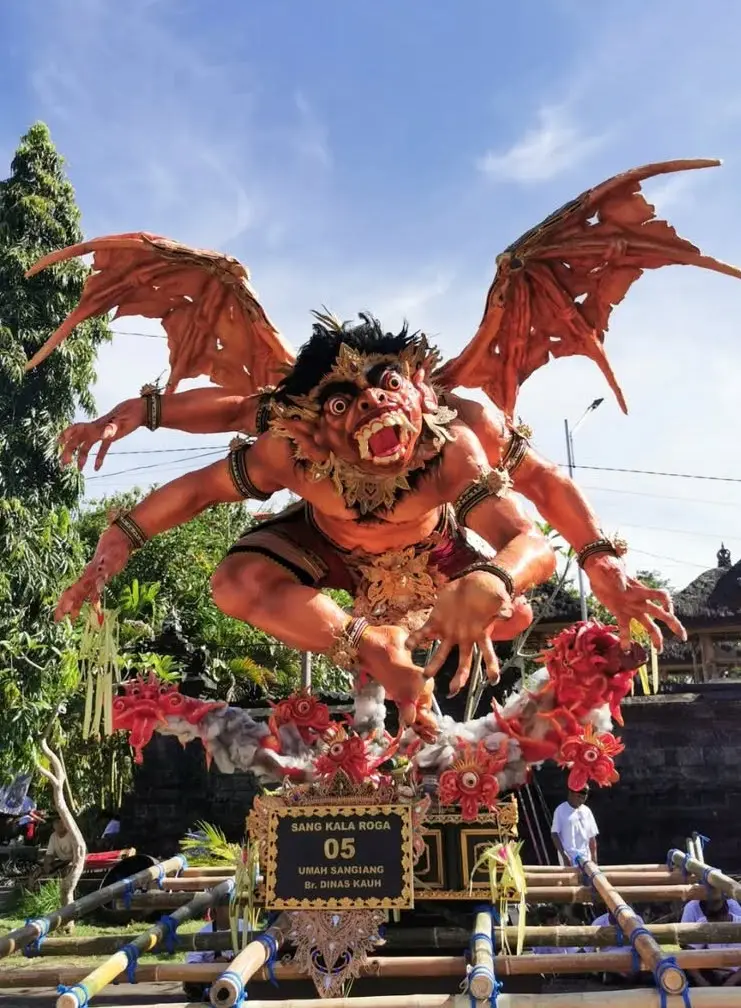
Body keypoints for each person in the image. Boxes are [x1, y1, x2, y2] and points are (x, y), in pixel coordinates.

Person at [183, 905, 244, 1003]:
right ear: (216, 908)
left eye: (235, 904)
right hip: (211, 979)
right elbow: (192, 963)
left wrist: (238, 960)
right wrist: (212, 964)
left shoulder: (246, 927)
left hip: (240, 975)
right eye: (227, 905)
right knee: (190, 981)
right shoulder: (204, 932)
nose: (233, 908)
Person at [686, 895, 741, 988]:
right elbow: (689, 954)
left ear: (726, 912)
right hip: (711, 973)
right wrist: (700, 980)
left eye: (718, 921)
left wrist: (732, 981)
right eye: (711, 921)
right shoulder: (703, 923)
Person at [551, 786, 598, 866]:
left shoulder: (587, 811)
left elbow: (592, 837)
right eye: (579, 796)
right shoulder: (560, 810)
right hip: (569, 859)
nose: (581, 800)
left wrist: (594, 858)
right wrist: (564, 856)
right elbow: (554, 834)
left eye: (584, 797)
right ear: (570, 793)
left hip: (586, 859)